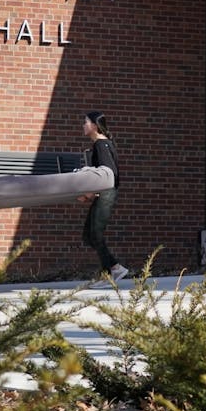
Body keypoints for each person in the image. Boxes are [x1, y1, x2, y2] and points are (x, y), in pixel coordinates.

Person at [78, 110, 129, 284]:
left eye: (85, 122)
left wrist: (91, 193)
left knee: (96, 235)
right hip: (103, 193)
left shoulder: (101, 145)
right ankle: (113, 269)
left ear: (94, 125)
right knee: (89, 235)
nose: (83, 126)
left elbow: (110, 173)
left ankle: (111, 272)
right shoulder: (99, 145)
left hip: (107, 194)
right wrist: (90, 195)